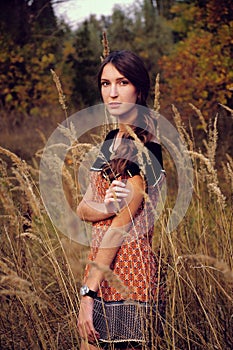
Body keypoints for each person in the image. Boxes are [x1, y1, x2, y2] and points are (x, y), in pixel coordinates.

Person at [76, 50, 166, 350]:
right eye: (105, 83)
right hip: (100, 270)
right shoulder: (110, 140)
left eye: (122, 82)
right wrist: (108, 207)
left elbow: (118, 230)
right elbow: (83, 208)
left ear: (139, 89)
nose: (112, 93)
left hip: (130, 282)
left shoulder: (145, 147)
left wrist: (86, 294)